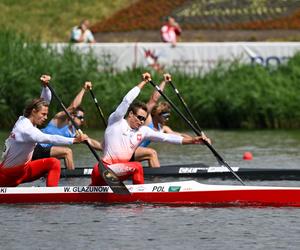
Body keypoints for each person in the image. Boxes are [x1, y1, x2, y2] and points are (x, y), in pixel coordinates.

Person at [90, 72, 211, 186]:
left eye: (144, 119)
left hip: (120, 173)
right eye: (139, 118)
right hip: (104, 169)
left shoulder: (143, 131)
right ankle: (141, 199)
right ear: (131, 114)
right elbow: (127, 100)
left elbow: (167, 138)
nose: (142, 121)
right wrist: (143, 82)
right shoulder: (116, 121)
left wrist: (194, 140)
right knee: (137, 167)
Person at [0, 75, 88, 187]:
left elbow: (44, 101)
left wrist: (45, 87)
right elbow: (50, 138)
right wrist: (74, 140)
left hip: (24, 171)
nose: (46, 117)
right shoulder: (25, 129)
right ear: (33, 111)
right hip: (7, 176)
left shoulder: (26, 118)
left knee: (53, 163)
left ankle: (52, 196)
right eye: (43, 114)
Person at [32, 81, 102, 170]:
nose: (82, 120)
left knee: (62, 155)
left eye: (83, 118)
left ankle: (67, 175)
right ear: (72, 115)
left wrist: (107, 148)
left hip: (43, 152)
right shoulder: (59, 119)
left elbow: (90, 142)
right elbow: (73, 107)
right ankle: (71, 179)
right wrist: (84, 89)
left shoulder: (74, 132)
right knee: (67, 152)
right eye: (80, 117)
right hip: (35, 147)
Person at [134, 73, 194, 168]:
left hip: (137, 152)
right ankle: (157, 178)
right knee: (152, 153)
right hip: (128, 150)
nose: (167, 119)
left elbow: (180, 135)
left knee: (150, 155)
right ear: (157, 114)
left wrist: (197, 140)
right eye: (165, 116)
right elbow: (154, 99)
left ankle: (154, 175)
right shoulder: (147, 120)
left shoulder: (163, 128)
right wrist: (164, 82)